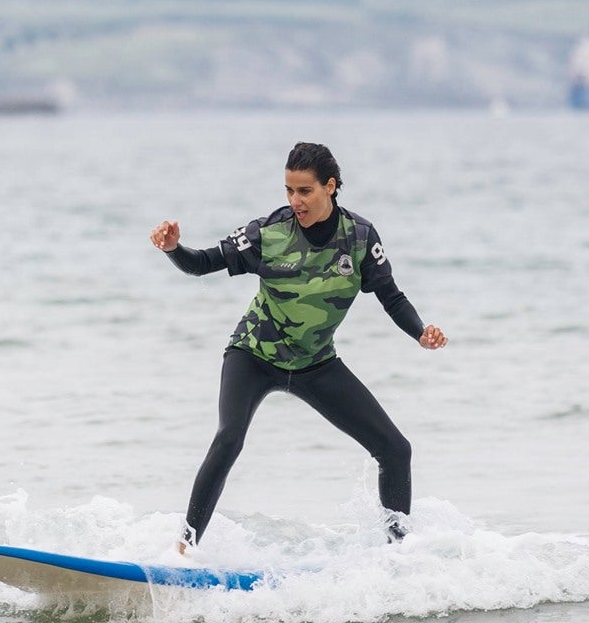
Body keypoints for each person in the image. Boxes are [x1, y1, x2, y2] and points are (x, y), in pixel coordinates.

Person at [150, 142, 447, 554]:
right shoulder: (268, 232)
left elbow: (391, 297)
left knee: (395, 450)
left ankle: (397, 555)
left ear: (330, 187)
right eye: (289, 190)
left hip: (315, 364)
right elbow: (202, 263)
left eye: (304, 191)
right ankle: (183, 548)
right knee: (229, 438)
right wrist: (172, 250)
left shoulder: (359, 238)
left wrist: (419, 332)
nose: (295, 201)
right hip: (253, 354)